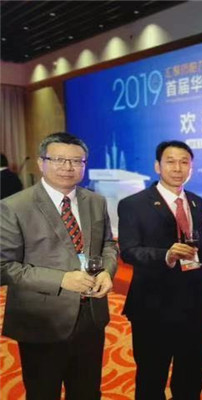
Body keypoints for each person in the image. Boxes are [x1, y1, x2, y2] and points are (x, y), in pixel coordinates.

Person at [0, 132, 117, 399]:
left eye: (76, 161)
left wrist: (107, 272)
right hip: (43, 320)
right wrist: (61, 280)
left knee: (87, 392)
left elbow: (108, 245)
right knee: (43, 392)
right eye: (59, 160)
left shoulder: (95, 201)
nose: (68, 167)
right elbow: (3, 267)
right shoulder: (14, 207)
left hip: (90, 316)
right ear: (41, 163)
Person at [117, 141, 202, 399]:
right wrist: (166, 255)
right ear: (157, 166)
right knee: (152, 376)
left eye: (184, 162)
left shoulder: (196, 202)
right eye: (170, 161)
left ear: (191, 167)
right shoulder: (133, 204)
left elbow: (199, 245)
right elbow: (129, 251)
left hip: (195, 303)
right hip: (153, 305)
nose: (178, 168)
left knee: (191, 374)